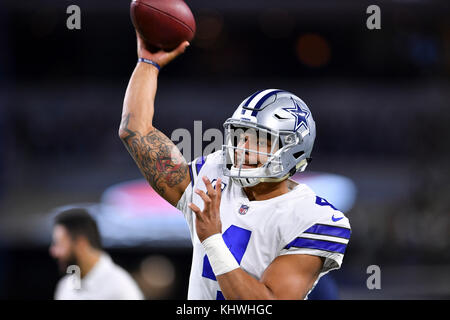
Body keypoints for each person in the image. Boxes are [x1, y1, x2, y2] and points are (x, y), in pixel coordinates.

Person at [118, 33, 351, 300]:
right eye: (241, 135)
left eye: (260, 138)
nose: (243, 147)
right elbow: (135, 132)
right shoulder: (214, 175)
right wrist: (148, 63)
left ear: (294, 148)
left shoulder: (314, 219)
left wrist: (213, 241)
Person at [49, 208, 144, 300]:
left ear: (81, 244)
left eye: (59, 244)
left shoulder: (121, 289)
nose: (53, 252)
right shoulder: (65, 287)